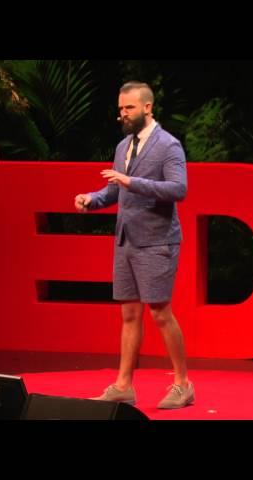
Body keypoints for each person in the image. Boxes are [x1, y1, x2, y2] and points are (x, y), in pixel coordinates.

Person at [74, 81, 194, 409]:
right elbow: (115, 192)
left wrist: (131, 181)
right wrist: (92, 199)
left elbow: (178, 189)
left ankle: (183, 384)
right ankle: (124, 385)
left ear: (147, 108)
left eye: (128, 108)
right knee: (129, 313)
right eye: (120, 109)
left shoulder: (168, 146)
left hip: (157, 242)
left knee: (160, 312)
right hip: (126, 240)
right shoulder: (123, 146)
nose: (122, 114)